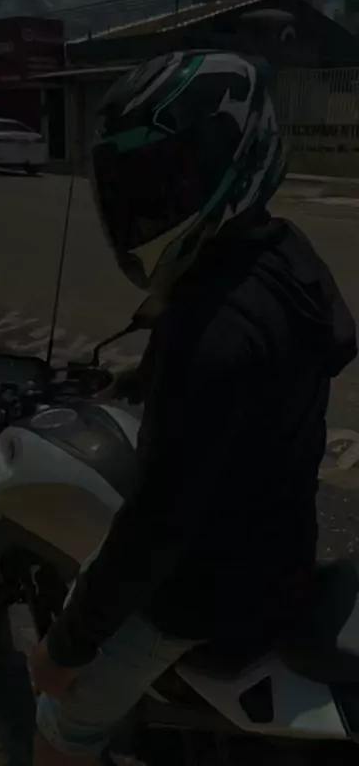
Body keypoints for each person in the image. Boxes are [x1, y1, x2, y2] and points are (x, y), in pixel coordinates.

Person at [31, 51, 357, 765]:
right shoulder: (281, 257)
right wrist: (137, 382)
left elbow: (155, 528)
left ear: (229, 165)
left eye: (164, 182)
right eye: (132, 188)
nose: (144, 208)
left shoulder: (209, 333)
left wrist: (67, 644)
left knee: (60, 715)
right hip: (280, 554)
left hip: (210, 593)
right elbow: (246, 355)